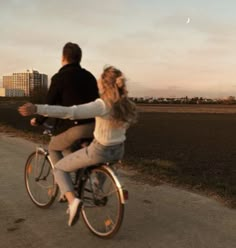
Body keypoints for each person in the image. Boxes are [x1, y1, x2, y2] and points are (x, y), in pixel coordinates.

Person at [18, 66, 137, 227]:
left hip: (100, 150)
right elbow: (113, 127)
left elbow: (70, 112)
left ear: (103, 85)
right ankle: (97, 187)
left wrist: (37, 109)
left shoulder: (102, 104)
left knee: (59, 168)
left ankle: (73, 201)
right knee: (95, 162)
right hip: (118, 151)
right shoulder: (126, 105)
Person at [33, 42, 99, 168]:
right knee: (70, 150)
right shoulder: (90, 77)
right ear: (79, 58)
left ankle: (65, 185)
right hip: (94, 126)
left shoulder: (59, 77)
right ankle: (88, 177)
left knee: (53, 148)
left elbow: (49, 103)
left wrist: (38, 120)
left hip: (74, 127)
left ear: (63, 58)